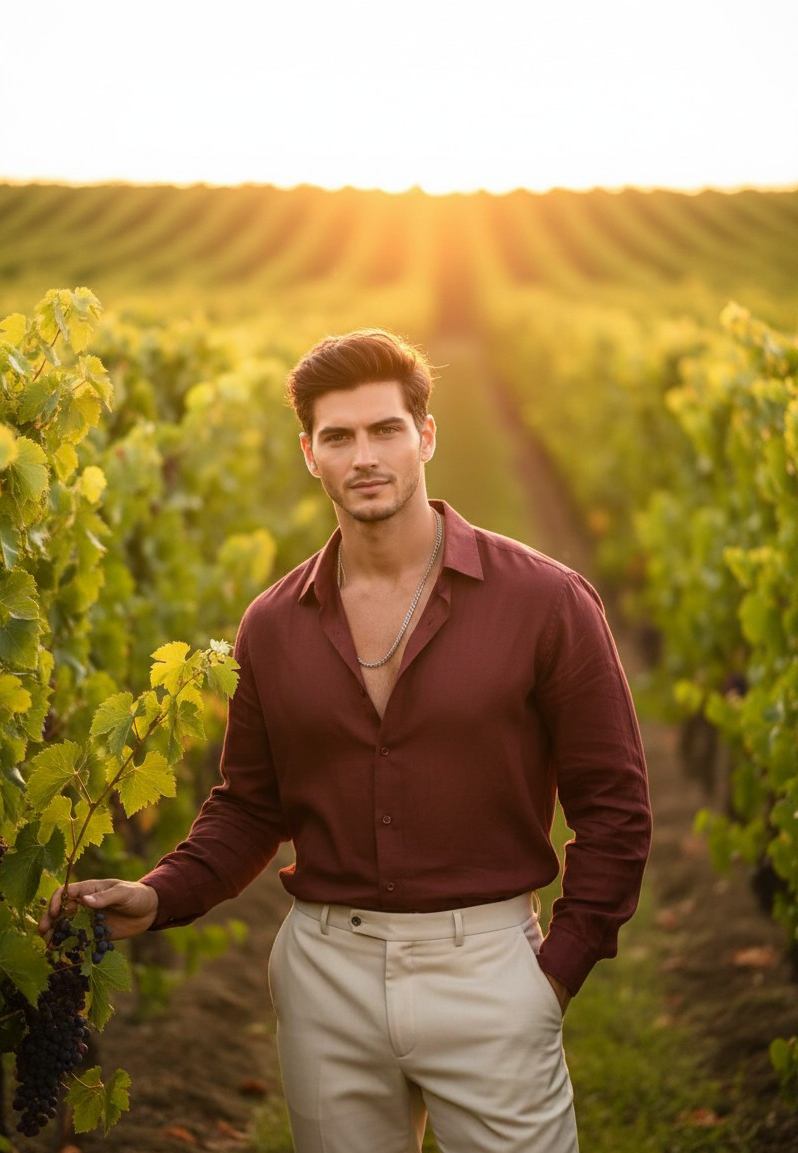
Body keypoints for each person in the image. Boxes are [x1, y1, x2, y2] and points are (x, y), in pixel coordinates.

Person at [40, 329, 651, 1153]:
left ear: (424, 435)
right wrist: (159, 894)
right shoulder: (271, 624)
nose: (364, 456)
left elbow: (615, 805)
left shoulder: (546, 601)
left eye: (385, 429)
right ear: (310, 453)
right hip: (325, 978)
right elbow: (251, 805)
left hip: (489, 973)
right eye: (338, 436)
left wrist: (556, 973)